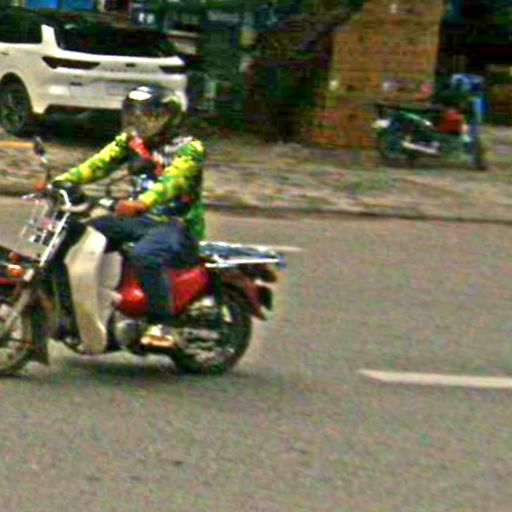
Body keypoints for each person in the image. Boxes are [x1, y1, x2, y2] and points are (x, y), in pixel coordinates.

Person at [52, 84, 206, 349]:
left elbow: (172, 182)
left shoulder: (190, 149)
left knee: (145, 255)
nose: (140, 122)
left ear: (169, 118)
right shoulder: (131, 142)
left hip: (176, 225)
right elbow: (98, 164)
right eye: (134, 114)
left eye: (149, 115)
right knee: (74, 235)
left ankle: (163, 324)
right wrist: (62, 181)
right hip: (138, 221)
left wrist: (142, 203)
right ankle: (68, 308)